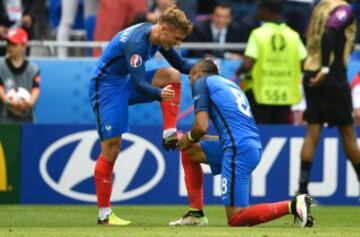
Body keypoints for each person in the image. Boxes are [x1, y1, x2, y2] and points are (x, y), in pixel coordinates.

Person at [169, 58, 314, 227]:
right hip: (249, 145)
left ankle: (293, 205)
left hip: (238, 150)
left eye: (190, 78)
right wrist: (193, 140)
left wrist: (188, 137)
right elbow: (232, 131)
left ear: (198, 73)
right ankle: (196, 214)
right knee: (190, 151)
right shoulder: (229, 85)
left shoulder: (201, 82)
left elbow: (201, 126)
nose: (190, 82)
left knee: (236, 218)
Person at [89, 6, 193, 225]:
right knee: (112, 147)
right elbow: (139, 82)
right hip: (106, 89)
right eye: (176, 38)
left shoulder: (158, 36)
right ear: (164, 29)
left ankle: (169, 132)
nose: (177, 43)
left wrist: (206, 68)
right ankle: (104, 215)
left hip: (124, 82)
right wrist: (159, 94)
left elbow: (181, 65)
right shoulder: (137, 42)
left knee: (171, 75)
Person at [297, 0, 360, 197]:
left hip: (310, 72)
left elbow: (307, 35)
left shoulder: (320, 7)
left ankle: (302, 190)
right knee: (347, 132)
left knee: (312, 131)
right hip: (331, 75)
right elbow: (330, 33)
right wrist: (325, 68)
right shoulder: (343, 9)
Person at [236, 0, 307, 124]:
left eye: (260, 8)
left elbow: (248, 63)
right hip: (285, 94)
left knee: (260, 133)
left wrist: (239, 72)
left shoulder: (258, 34)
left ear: (267, 11)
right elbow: (303, 63)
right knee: (280, 131)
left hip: (260, 94)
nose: (258, 12)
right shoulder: (293, 36)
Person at [0, 28, 40, 123]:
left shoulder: (33, 69)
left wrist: (30, 103)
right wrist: (9, 102)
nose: (10, 47)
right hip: (4, 122)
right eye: (8, 43)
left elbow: (36, 89)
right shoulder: (0, 66)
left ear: (24, 45)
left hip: (27, 121)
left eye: (14, 44)